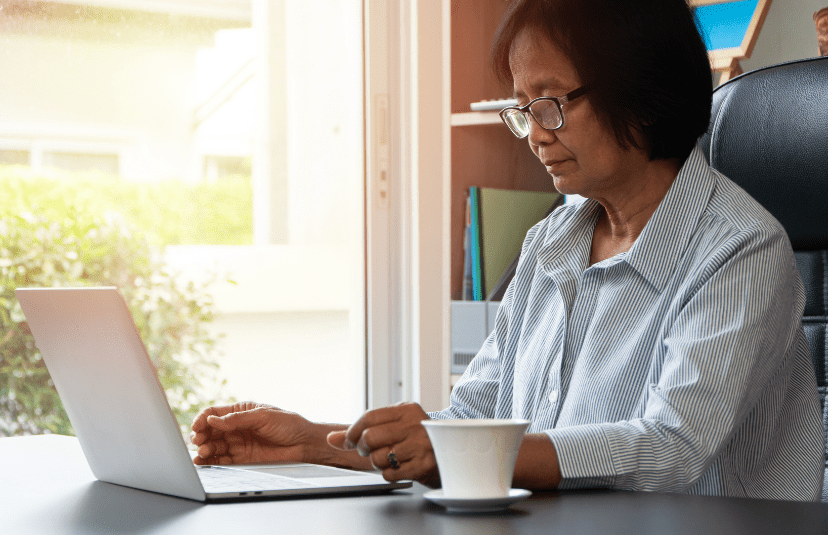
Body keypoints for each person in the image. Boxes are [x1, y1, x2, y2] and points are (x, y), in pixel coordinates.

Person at [192, 0, 824, 501]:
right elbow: (474, 415)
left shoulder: (740, 247)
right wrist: (312, 441)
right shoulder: (553, 239)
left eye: (549, 103)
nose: (535, 134)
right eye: (521, 109)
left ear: (640, 89)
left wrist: (458, 451)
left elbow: (669, 448)